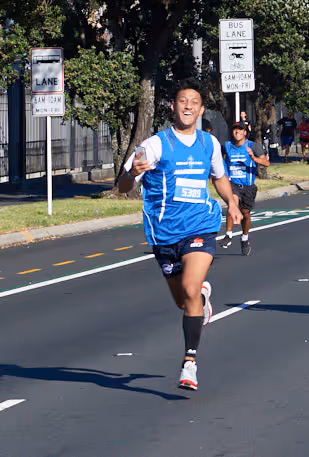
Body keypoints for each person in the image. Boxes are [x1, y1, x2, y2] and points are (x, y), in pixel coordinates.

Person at [116, 80, 243, 391]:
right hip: (164, 233)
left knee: (189, 285)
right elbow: (122, 187)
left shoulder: (210, 144)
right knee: (184, 301)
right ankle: (201, 298)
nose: (188, 106)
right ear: (173, 107)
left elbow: (220, 177)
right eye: (182, 101)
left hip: (201, 225)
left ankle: (190, 364)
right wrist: (132, 173)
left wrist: (232, 202)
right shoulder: (156, 145)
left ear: (200, 110)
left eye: (193, 102)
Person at [220, 120, 269, 255]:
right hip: (233, 184)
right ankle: (228, 235)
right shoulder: (227, 146)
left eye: (240, 130)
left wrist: (253, 158)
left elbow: (266, 163)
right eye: (235, 129)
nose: (237, 132)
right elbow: (216, 157)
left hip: (248, 186)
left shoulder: (253, 146)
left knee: (245, 213)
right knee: (232, 204)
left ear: (245, 133)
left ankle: (244, 238)